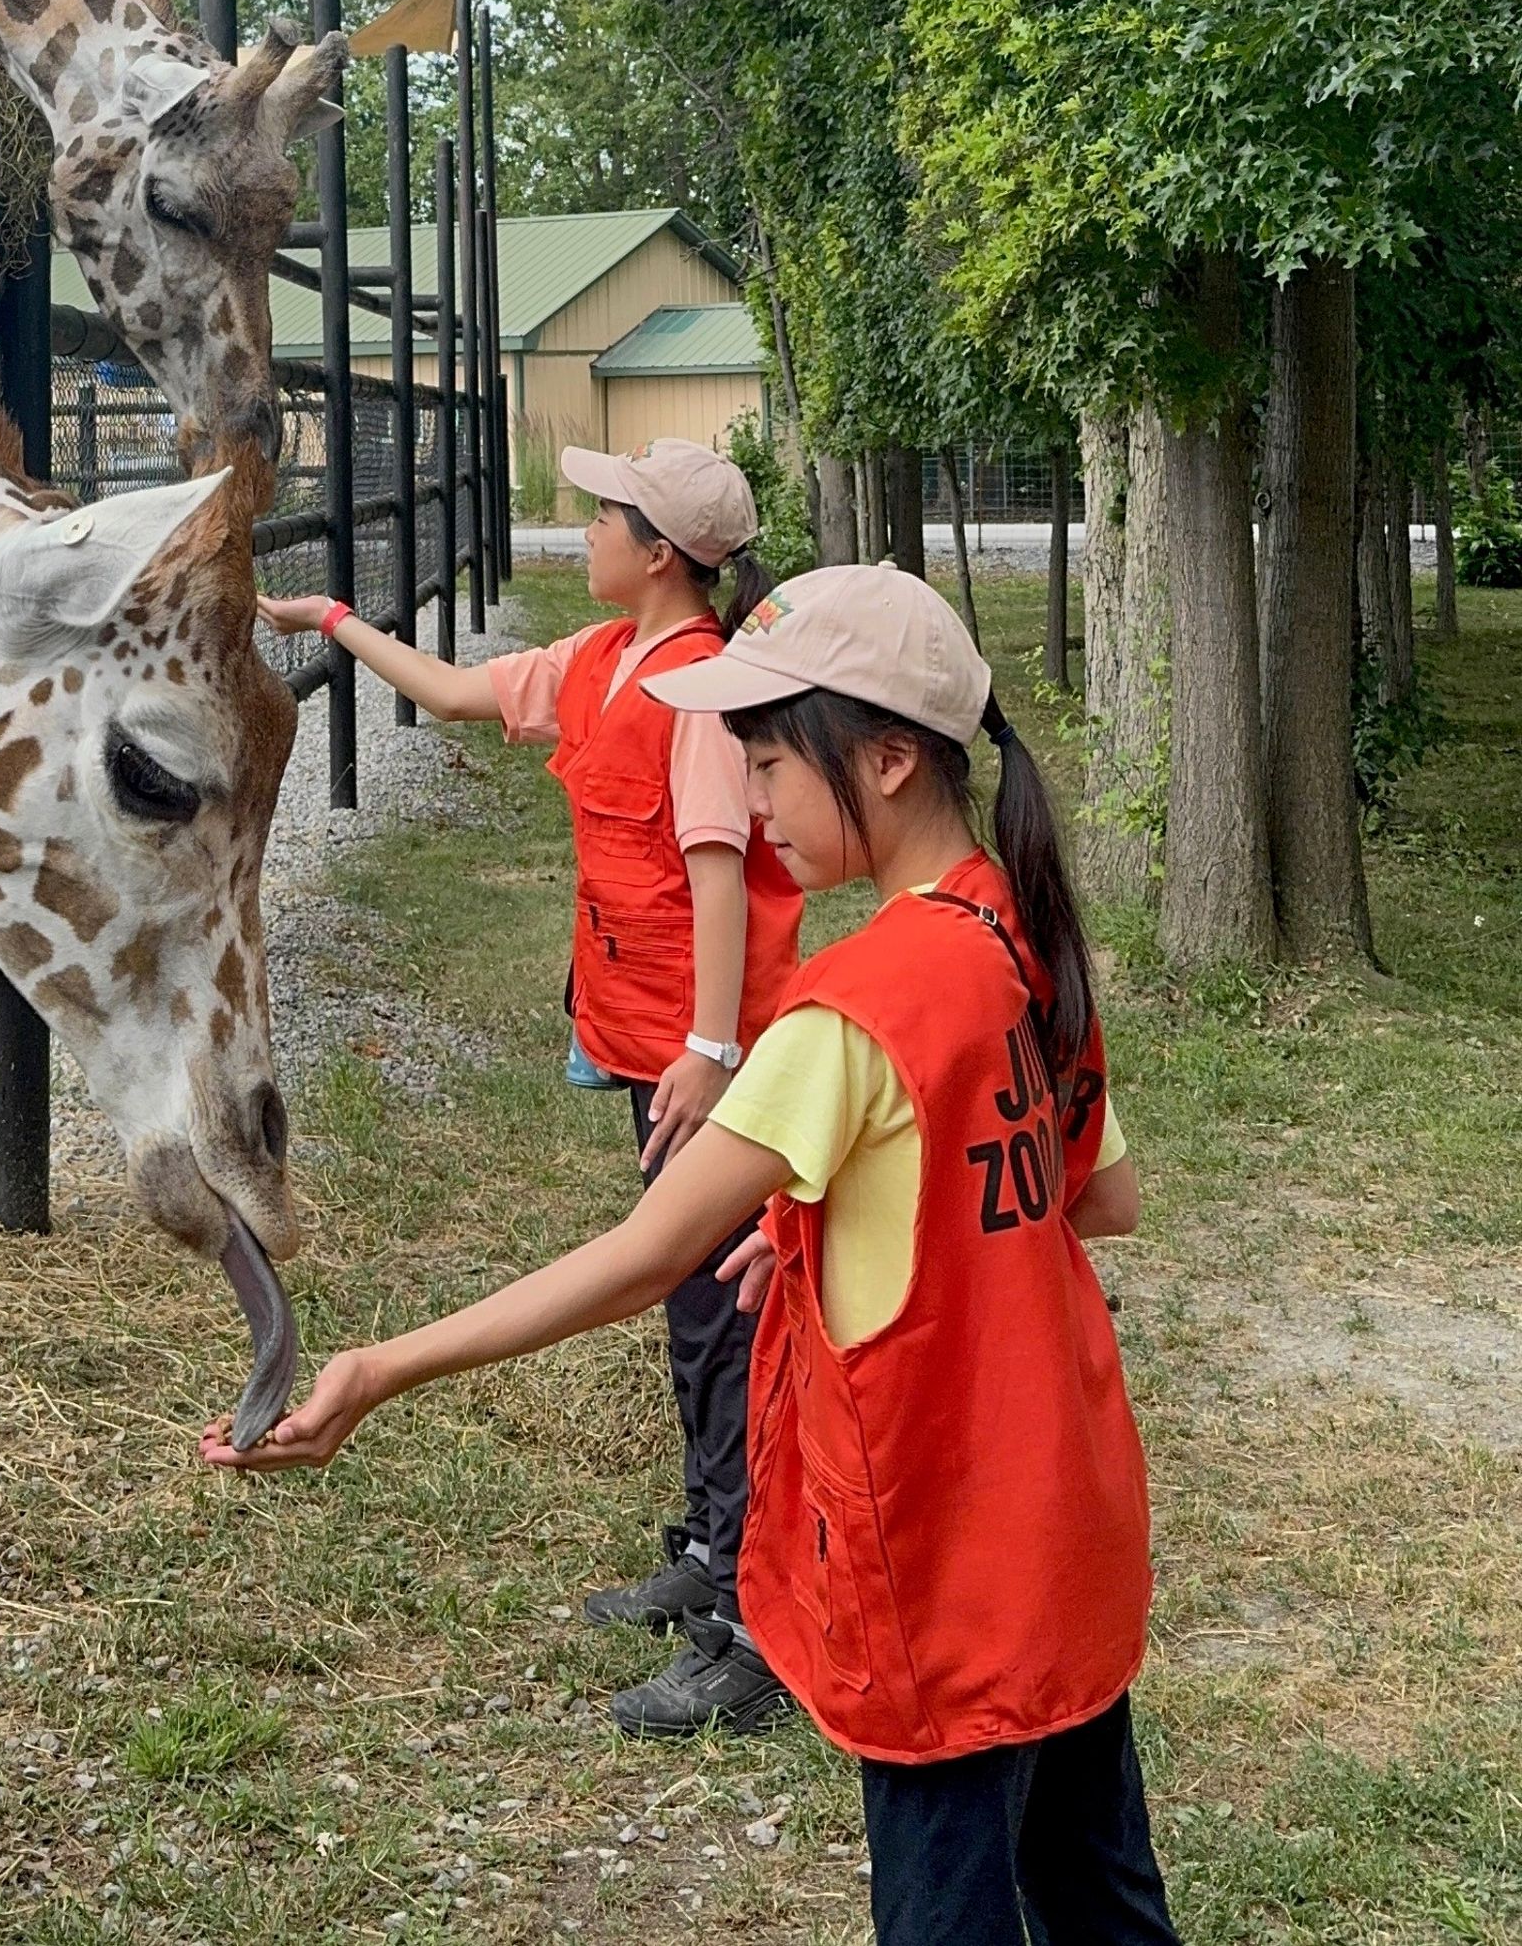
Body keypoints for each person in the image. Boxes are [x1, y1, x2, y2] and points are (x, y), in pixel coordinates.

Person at [210, 565, 1179, 1946]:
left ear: (890, 758)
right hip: (1068, 1526)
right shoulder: (1018, 933)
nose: (751, 796)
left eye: (771, 760)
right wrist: (849, 1219)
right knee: (1099, 1897)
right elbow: (1101, 1193)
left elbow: (641, 1253)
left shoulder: (850, 1013)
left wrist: (380, 1366)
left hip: (951, 1572)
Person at [254, 436, 803, 1734]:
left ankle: (746, 1611)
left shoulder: (701, 694)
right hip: (659, 1050)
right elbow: (451, 690)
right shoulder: (602, 664)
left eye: (603, 512)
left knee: (720, 1321)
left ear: (658, 552)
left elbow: (720, 873)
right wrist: (329, 618)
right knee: (689, 1305)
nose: (584, 524)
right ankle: (709, 1542)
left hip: (706, 1062)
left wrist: (712, 1050)